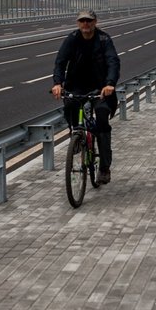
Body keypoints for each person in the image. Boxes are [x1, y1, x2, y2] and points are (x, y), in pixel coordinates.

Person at [51, 9, 121, 184]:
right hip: (76, 86)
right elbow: (60, 62)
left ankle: (104, 167)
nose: (85, 24)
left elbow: (113, 61)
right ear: (78, 23)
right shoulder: (72, 39)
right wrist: (58, 83)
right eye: (82, 21)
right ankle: (76, 136)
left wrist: (110, 83)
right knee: (69, 108)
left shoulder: (104, 40)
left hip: (101, 88)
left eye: (89, 21)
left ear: (95, 22)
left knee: (102, 119)